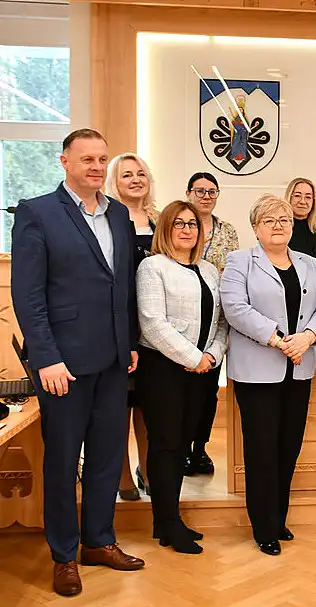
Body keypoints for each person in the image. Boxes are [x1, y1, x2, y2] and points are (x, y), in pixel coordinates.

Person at [11, 128, 145, 597]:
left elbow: (123, 285)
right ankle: (64, 554)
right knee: (64, 462)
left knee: (109, 458)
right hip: (62, 364)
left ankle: (99, 541)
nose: (95, 166)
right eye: (85, 158)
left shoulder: (120, 217)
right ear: (64, 161)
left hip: (112, 359)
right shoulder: (37, 213)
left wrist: (128, 340)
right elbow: (27, 295)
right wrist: (44, 357)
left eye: (101, 158)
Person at [221, 194, 316, 556]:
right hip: (257, 372)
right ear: (255, 227)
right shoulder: (239, 261)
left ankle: (278, 518)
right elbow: (235, 308)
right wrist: (279, 339)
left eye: (284, 219)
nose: (279, 225)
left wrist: (310, 337)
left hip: (299, 369)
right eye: (269, 220)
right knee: (262, 451)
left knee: (288, 448)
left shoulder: (309, 262)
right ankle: (263, 526)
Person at [135, 201, 227, 555]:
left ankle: (166, 521)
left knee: (184, 445)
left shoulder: (209, 270)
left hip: (202, 371)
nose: (187, 229)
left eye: (192, 224)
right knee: (166, 445)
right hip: (163, 370)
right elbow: (152, 323)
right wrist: (193, 357)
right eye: (179, 223)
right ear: (166, 229)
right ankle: (169, 522)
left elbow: (221, 322)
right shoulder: (152, 267)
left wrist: (210, 357)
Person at [105, 152, 159, 502]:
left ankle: (149, 470)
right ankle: (123, 475)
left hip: (155, 325)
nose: (136, 179)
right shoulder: (108, 219)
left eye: (140, 173)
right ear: (115, 182)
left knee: (149, 405)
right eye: (127, 175)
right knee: (119, 406)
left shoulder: (160, 219)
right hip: (120, 322)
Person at [185, 171, 239, 476]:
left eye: (212, 192)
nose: (206, 196)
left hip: (216, 318)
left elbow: (233, 272)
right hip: (182, 319)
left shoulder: (227, 230)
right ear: (189, 193)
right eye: (200, 191)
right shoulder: (178, 223)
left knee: (208, 390)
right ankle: (180, 449)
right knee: (182, 391)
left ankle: (200, 449)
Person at [285, 177, 316, 275]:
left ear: (313, 201)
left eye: (308, 197)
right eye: (297, 196)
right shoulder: (278, 231)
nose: (302, 201)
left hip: (310, 289)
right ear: (289, 198)